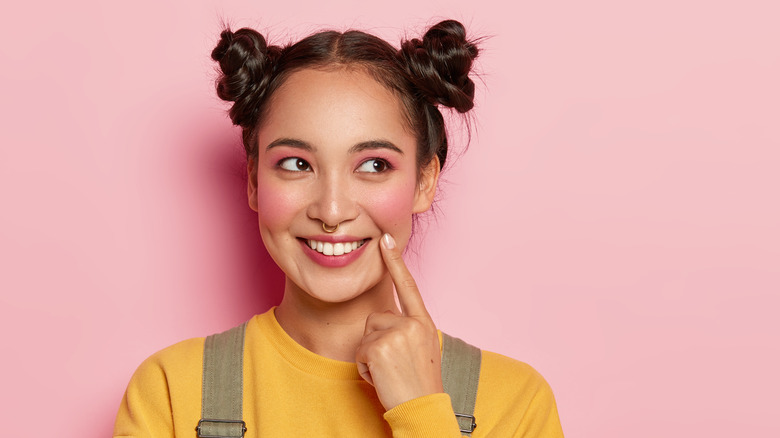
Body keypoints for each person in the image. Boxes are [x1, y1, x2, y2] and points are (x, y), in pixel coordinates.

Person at [113, 19, 564, 437]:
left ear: (424, 181)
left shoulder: (514, 403)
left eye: (373, 165)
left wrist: (422, 411)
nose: (331, 210)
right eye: (296, 164)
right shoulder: (172, 392)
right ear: (253, 181)